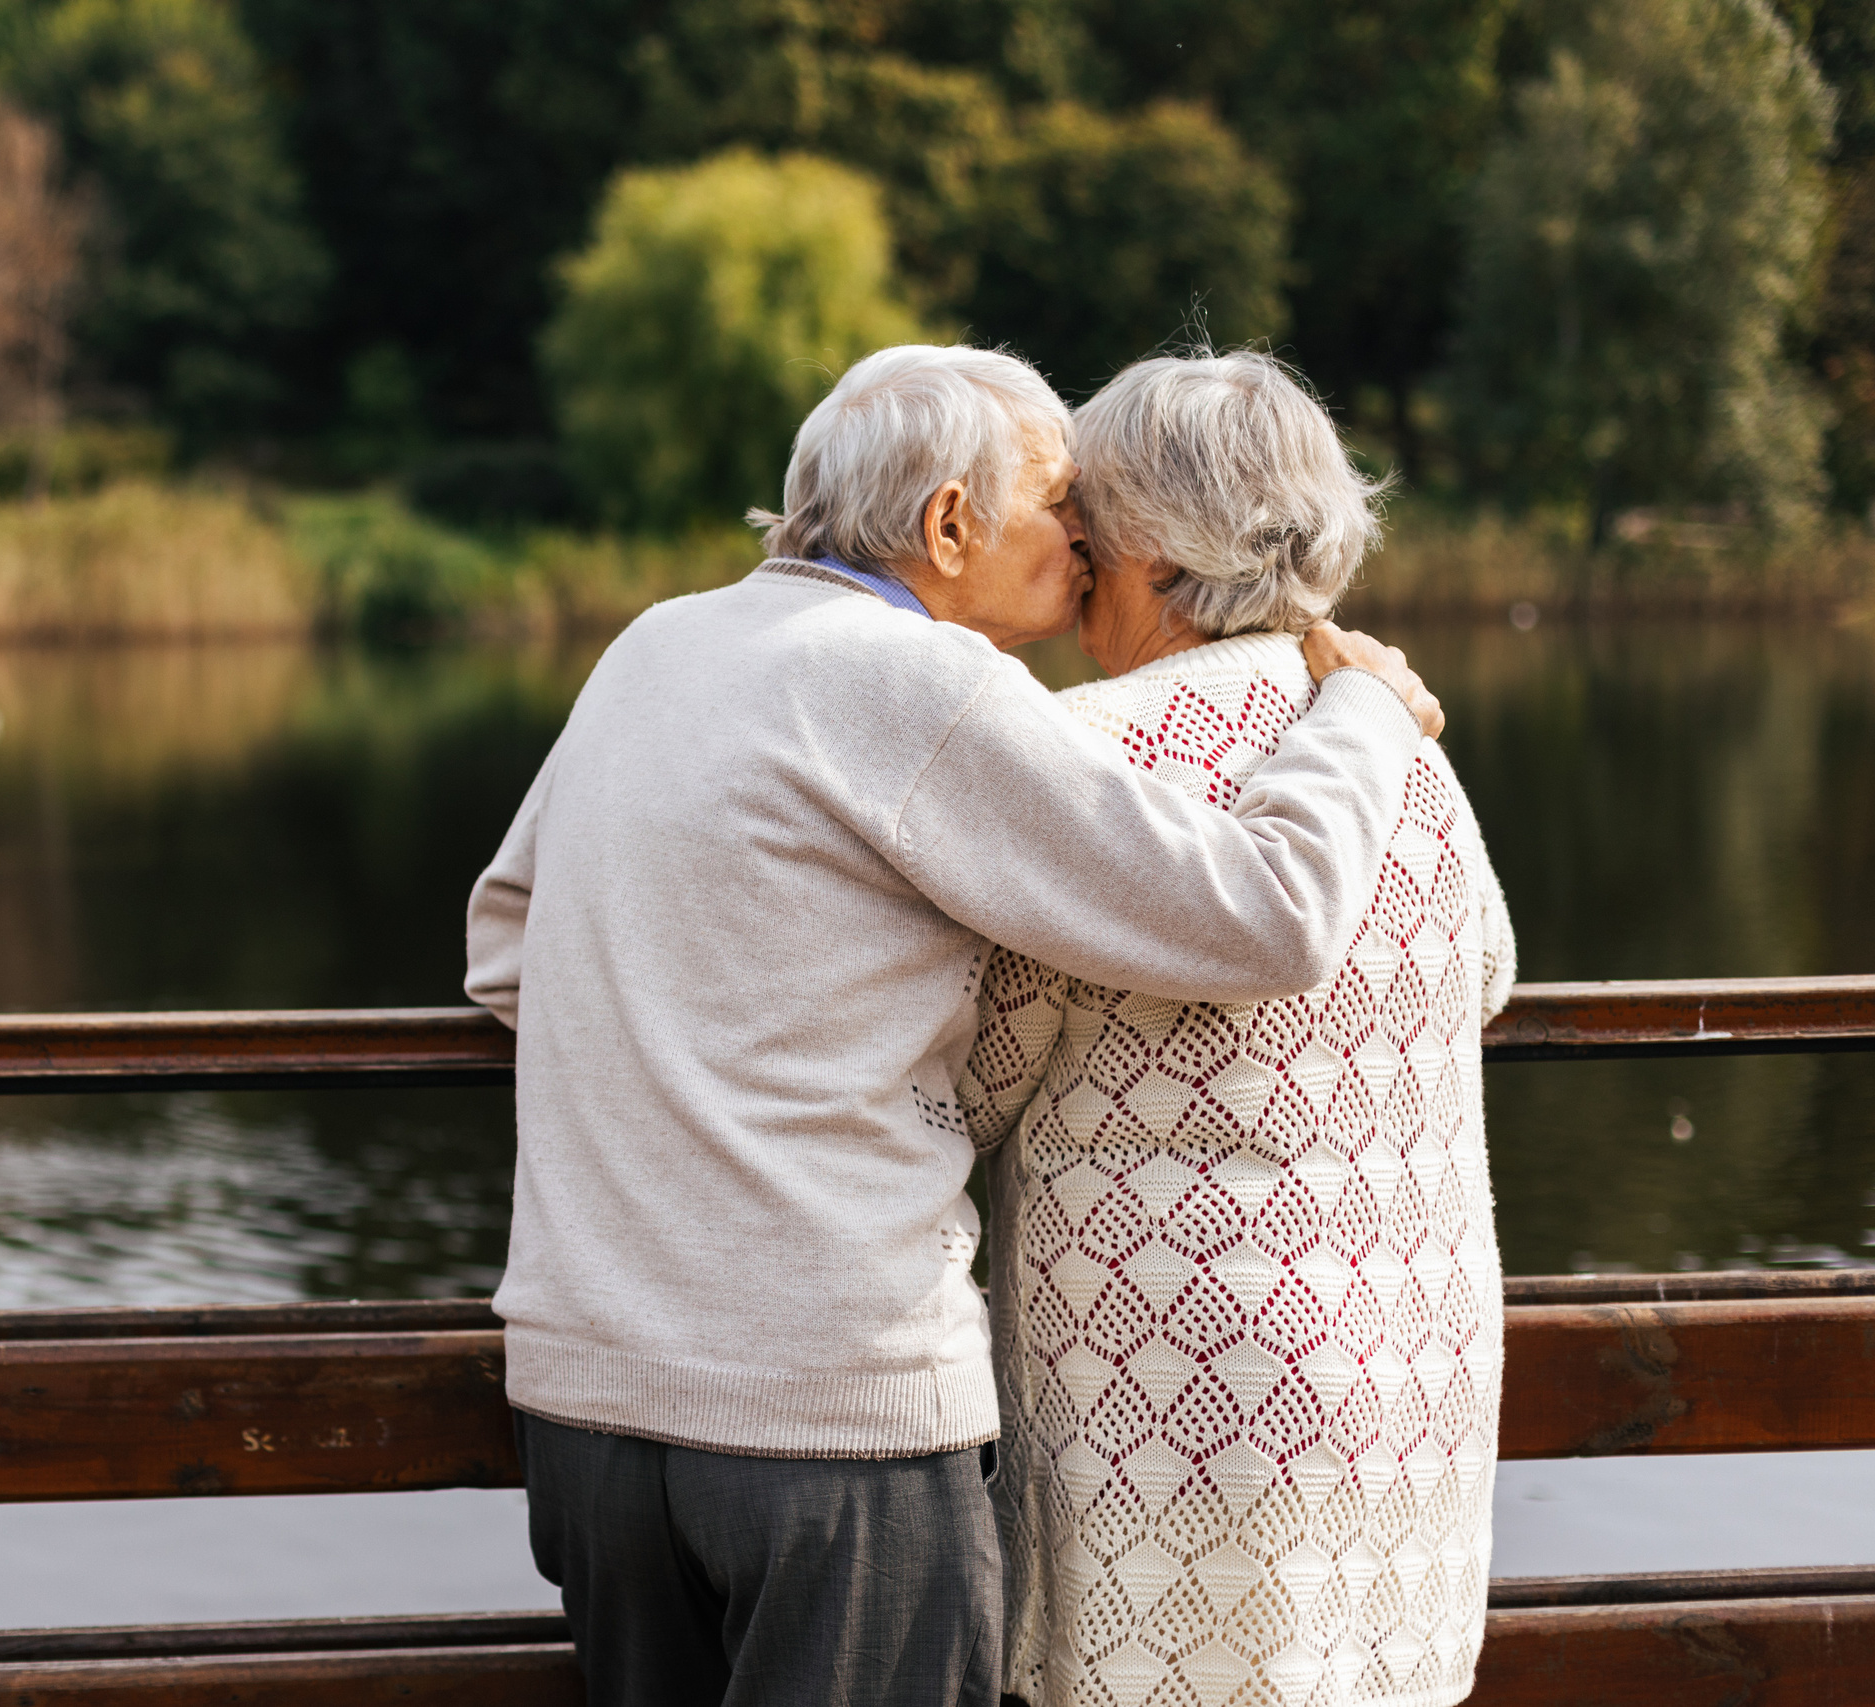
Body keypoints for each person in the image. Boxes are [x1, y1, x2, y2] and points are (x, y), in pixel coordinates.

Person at [464, 342, 1444, 1707]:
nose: (1085, 533)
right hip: (829, 1416)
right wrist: (1362, 711)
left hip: (584, 1407)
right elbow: (1268, 916)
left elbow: (505, 949)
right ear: (947, 523)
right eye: (1058, 501)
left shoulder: (652, 647)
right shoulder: (922, 685)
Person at [956, 350, 1516, 1707]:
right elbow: (1484, 972)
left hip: (1182, 1407)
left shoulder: (1084, 746)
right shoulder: (1396, 738)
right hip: (1405, 1383)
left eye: (1082, 520)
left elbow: (974, 1074)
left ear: (1138, 545)